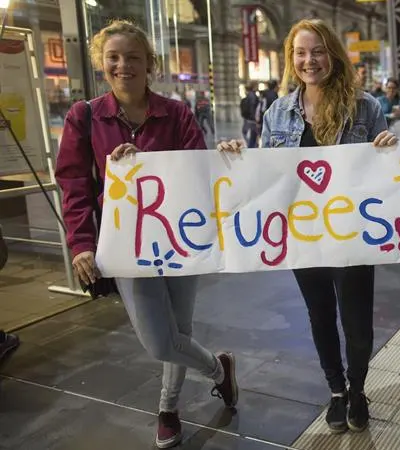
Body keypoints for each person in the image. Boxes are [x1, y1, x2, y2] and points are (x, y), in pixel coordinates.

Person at [54, 20, 237, 449]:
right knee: (162, 341)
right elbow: (74, 184)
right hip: (126, 246)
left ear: (149, 64)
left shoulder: (175, 113)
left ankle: (168, 408)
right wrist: (81, 243)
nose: (123, 66)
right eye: (114, 58)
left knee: (180, 327)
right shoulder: (85, 117)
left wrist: (225, 157)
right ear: (102, 65)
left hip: (179, 239)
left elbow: (198, 169)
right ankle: (218, 369)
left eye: (133, 57)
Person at [218, 18, 397, 434]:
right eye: (300, 52)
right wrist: (236, 156)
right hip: (302, 235)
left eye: (316, 50)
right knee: (319, 315)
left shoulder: (365, 106)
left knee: (357, 320)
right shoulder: (278, 112)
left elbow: (387, 178)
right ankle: (335, 390)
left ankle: (357, 389)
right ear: (290, 58)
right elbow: (268, 174)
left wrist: (390, 149)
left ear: (332, 53)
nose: (308, 60)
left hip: (352, 231)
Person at [240, 81, 259, 147]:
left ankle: (252, 146)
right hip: (251, 120)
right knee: (252, 135)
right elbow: (253, 108)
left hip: (248, 118)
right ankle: (252, 147)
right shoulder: (253, 96)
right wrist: (255, 119)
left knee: (248, 133)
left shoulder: (248, 95)